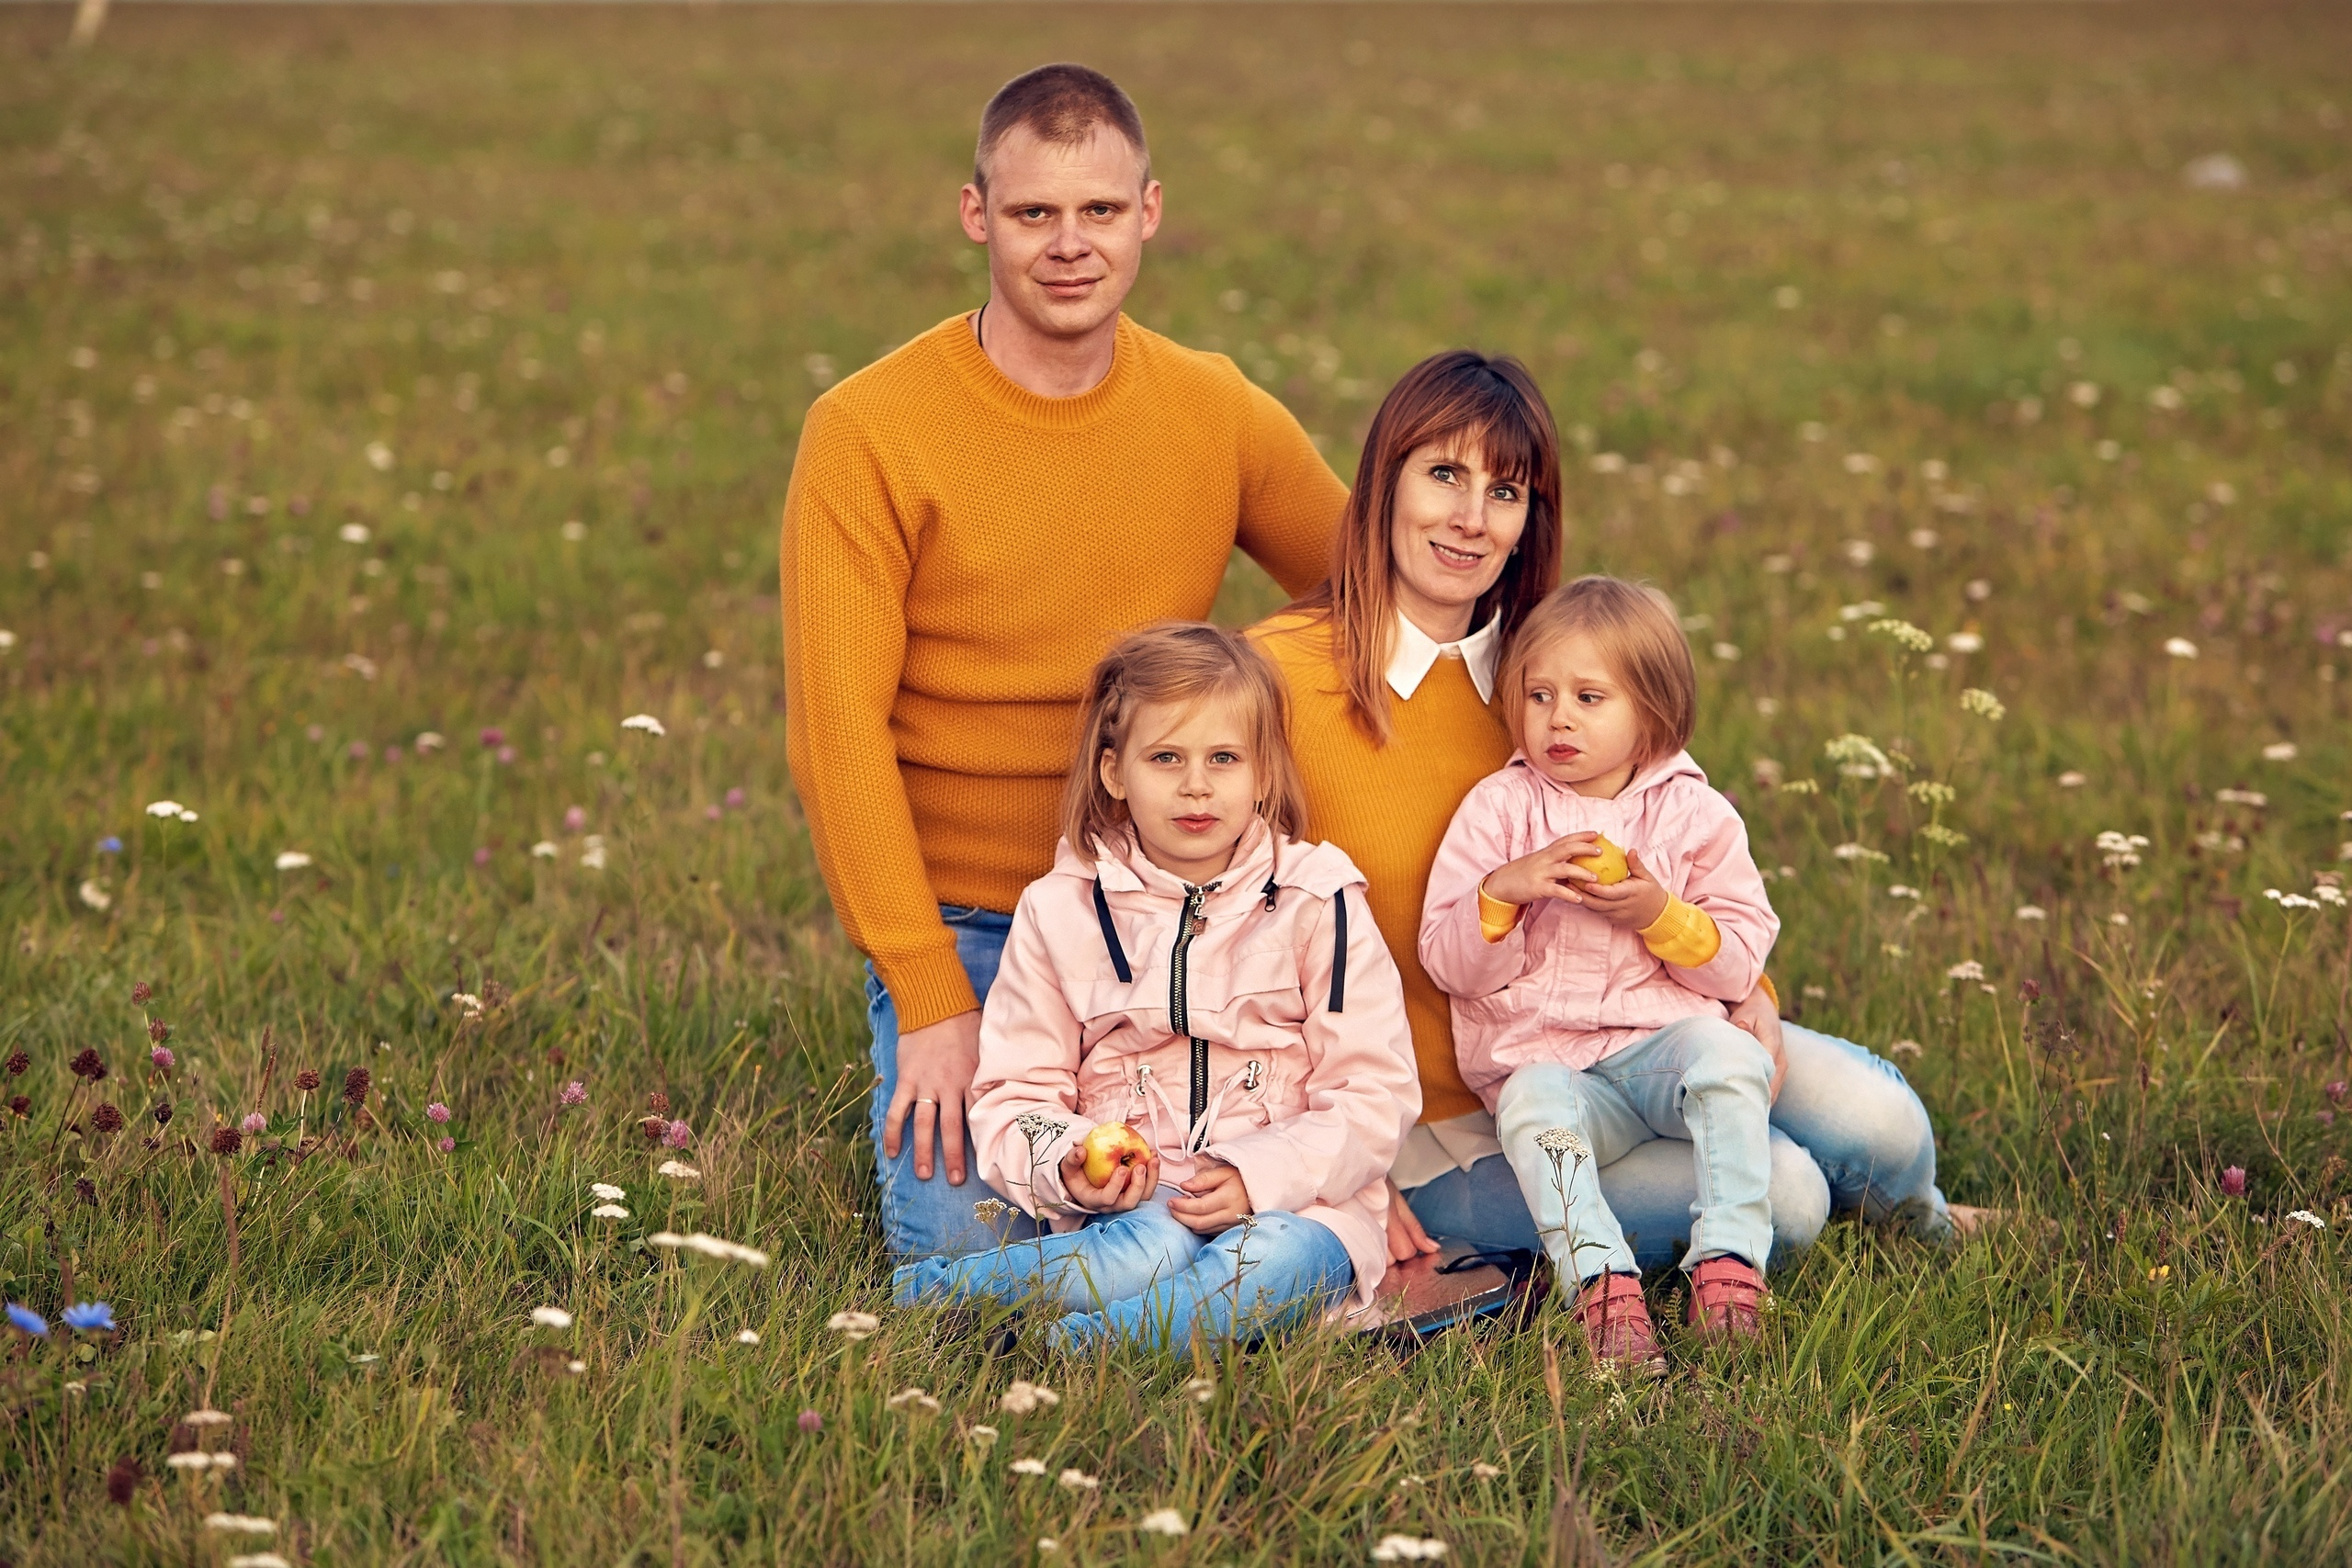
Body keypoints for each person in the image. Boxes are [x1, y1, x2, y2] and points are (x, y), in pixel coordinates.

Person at [778, 64, 1344, 1258]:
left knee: (1238, 1210)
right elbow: (836, 729)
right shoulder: (869, 430)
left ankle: (1215, 1269)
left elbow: (1378, 599)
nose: (1068, 244)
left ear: (1148, 211)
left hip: (1175, 911)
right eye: (1035, 213)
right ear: (977, 213)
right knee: (985, 1250)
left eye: (1097, 211)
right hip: (971, 928)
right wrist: (932, 998)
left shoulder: (1215, 409)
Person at [1250, 351, 1964, 1285]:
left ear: (1528, 521)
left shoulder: (1556, 665)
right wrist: (1329, 1166)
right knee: (1787, 1200)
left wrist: (1742, 988)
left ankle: (1928, 1224)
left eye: (1503, 491)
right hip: (1442, 1124)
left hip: (1637, 1033)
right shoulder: (1272, 679)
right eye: (1442, 475)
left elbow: (1676, 821)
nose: (1470, 518)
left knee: (1880, 1123)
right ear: (1380, 484)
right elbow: (1226, 940)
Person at [892, 625, 1419, 1349]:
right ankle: (927, 1298)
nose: (1196, 784)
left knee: (1262, 1266)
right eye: (1165, 757)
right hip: (1143, 1209)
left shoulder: (1319, 903)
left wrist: (1257, 1177)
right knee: (1147, 1255)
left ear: (1263, 771)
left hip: (1303, 1209)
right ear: (1114, 772)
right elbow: (1015, 1094)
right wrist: (1069, 1160)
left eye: (1224, 758)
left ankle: (1079, 1349)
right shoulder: (1062, 909)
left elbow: (1373, 1092)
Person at [1421, 576, 1781, 1372]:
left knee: (1729, 1057)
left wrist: (1658, 911)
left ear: (1651, 713)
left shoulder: (1696, 815)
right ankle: (1600, 1283)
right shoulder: (1499, 809)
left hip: (1657, 1053)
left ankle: (1728, 1268)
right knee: (1534, 1105)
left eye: (1590, 697)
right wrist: (1501, 893)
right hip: (1553, 1066)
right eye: (1539, 694)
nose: (1559, 718)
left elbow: (1741, 956)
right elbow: (1447, 962)